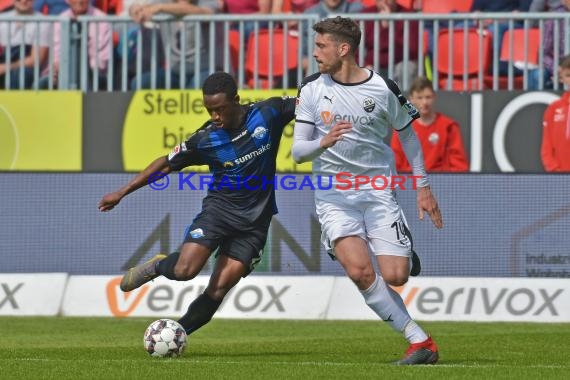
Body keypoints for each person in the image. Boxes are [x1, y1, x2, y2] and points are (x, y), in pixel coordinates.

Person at [292, 16, 442, 365]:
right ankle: (420, 342)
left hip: (377, 192)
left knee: (396, 276)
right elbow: (298, 152)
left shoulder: (382, 88)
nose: (314, 53)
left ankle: (401, 247)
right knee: (360, 271)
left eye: (321, 46)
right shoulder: (312, 88)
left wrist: (423, 187)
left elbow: (408, 135)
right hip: (333, 197)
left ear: (343, 49)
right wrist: (323, 142)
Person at [99, 72, 296, 336]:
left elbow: (311, 101)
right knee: (184, 270)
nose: (215, 117)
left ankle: (176, 334)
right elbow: (166, 163)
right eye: (209, 110)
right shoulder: (206, 139)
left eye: (220, 110)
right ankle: (159, 265)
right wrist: (122, 192)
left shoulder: (268, 113)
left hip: (255, 224)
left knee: (218, 288)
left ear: (236, 100)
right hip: (219, 212)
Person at [127, 0, 220, 90]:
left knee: (201, 85)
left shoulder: (205, 1)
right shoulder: (160, 3)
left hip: (203, 70)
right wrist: (134, 9)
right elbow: (140, 8)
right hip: (173, 72)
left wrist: (161, 8)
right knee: (140, 83)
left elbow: (206, 12)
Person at [391, 76, 469, 172]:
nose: (424, 102)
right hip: (411, 181)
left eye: (428, 97)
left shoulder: (448, 126)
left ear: (434, 97)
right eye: (419, 98)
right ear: (411, 99)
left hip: (442, 182)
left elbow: (459, 165)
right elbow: (396, 161)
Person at [37, 0, 112, 90]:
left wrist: (80, 71)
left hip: (94, 74)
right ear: (67, 1)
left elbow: (101, 61)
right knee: (40, 84)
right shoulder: (60, 20)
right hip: (63, 71)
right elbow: (56, 54)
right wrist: (58, 69)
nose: (79, 1)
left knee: (84, 79)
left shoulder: (102, 20)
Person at [362, 0, 419, 90]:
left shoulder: (408, 15)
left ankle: (404, 102)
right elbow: (356, 47)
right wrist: (364, 64)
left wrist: (388, 26)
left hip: (398, 64)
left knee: (407, 67)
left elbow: (412, 50)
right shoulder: (365, 14)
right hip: (373, 64)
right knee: (362, 69)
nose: (385, 2)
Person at [0, 0, 49, 89]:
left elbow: (36, 59)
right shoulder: (2, 19)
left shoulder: (43, 21)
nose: (23, 1)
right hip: (5, 61)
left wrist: (7, 67)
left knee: (20, 74)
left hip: (27, 69)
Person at [528, 0, 569, 89]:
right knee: (537, 75)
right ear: (563, 1)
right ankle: (536, 102)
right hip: (558, 65)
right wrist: (556, 69)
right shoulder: (553, 18)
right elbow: (543, 54)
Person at [541, 54, 570, 171]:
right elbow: (546, 146)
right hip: (560, 176)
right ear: (561, 78)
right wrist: (554, 170)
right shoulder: (553, 108)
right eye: (568, 75)